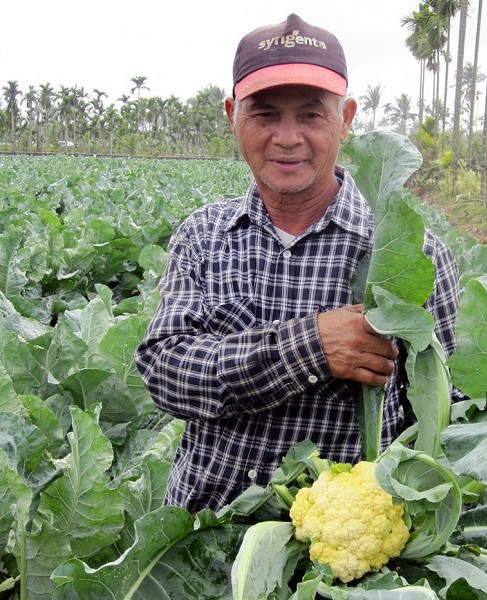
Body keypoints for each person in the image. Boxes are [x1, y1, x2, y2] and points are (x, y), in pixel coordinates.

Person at [134, 14, 461, 513]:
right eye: (265, 115)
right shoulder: (202, 236)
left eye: (311, 115)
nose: (287, 138)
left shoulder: (414, 254)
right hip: (200, 533)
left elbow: (443, 412)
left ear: (346, 118)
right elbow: (165, 372)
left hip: (343, 566)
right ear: (232, 115)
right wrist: (310, 347)